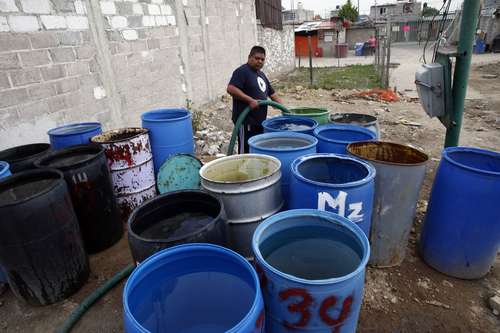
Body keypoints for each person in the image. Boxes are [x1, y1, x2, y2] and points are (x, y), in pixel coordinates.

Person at [227, 46, 283, 154]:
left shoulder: (261, 74)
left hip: (259, 122)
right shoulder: (242, 71)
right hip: (245, 121)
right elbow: (231, 88)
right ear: (249, 57)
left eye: (262, 59)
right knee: (246, 150)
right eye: (257, 58)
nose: (260, 61)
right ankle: (242, 167)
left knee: (256, 149)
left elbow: (272, 93)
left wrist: (284, 108)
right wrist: (250, 100)